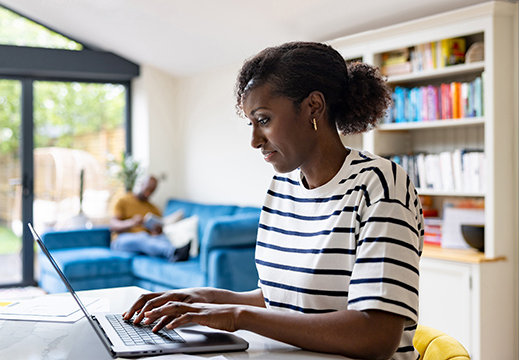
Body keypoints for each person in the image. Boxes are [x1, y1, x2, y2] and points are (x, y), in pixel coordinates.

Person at [122, 42, 424, 360]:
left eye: (263, 120)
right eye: (251, 124)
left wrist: (239, 317)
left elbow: (375, 335)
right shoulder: (282, 187)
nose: (254, 140)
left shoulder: (379, 185)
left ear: (313, 107)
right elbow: (283, 302)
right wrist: (204, 297)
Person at [110, 175, 190, 262]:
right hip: (121, 240)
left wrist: (157, 231)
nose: (148, 193)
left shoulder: (154, 209)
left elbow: (156, 233)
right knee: (141, 237)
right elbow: (113, 225)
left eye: (152, 191)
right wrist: (131, 222)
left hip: (147, 239)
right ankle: (174, 252)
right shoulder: (123, 201)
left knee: (161, 238)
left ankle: (176, 253)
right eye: (147, 189)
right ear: (141, 184)